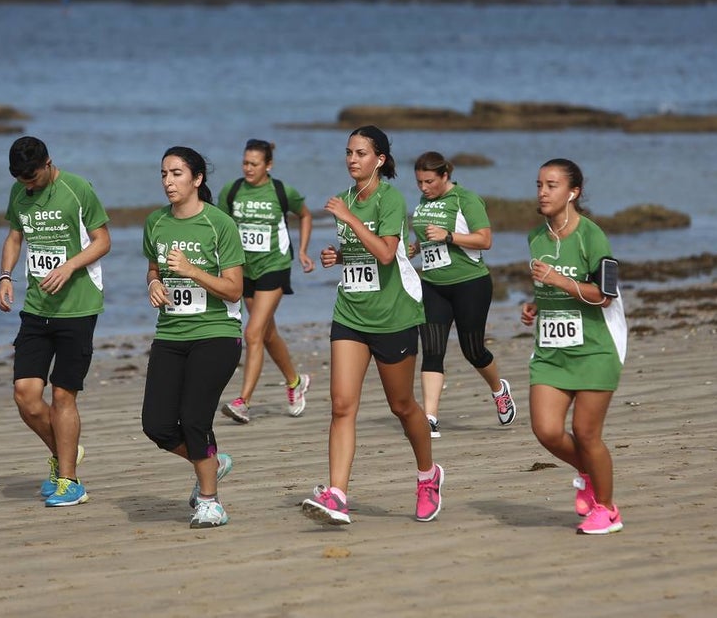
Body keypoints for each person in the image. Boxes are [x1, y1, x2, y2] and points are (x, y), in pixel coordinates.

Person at [301, 125, 443, 526]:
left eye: (361, 153)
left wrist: (348, 219)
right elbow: (360, 252)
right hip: (350, 313)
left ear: (379, 160)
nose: (352, 160)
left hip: (392, 317)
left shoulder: (390, 199)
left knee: (402, 406)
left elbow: (384, 253)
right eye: (348, 152)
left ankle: (427, 476)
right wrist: (338, 256)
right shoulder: (346, 197)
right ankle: (338, 494)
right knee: (342, 405)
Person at [0, 136, 111, 508]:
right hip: (35, 307)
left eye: (31, 177)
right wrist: (4, 276)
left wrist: (70, 266)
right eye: (21, 179)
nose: (27, 185)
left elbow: (103, 240)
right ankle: (66, 454)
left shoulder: (77, 189)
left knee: (63, 395)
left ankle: (70, 481)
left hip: (78, 308)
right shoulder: (19, 191)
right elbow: (15, 236)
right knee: (26, 397)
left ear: (48, 163)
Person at [520, 158, 627, 535]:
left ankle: (608, 510)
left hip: (594, 349)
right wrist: (535, 304)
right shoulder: (535, 237)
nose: (542, 192)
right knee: (546, 431)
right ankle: (587, 471)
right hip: (551, 350)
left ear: (573, 192)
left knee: (585, 432)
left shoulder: (591, 236)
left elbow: (607, 296)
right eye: (539, 185)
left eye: (551, 185)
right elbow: (546, 286)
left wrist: (558, 282)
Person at [142, 146, 245, 529]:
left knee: (195, 418)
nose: (168, 181)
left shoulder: (219, 224)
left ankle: (210, 502)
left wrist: (191, 271)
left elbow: (234, 290)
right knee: (157, 425)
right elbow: (153, 267)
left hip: (216, 334)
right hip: (170, 333)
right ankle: (212, 463)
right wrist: (154, 283)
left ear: (197, 179)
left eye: (177, 174)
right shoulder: (155, 223)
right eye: (164, 174)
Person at [408, 151, 514, 437]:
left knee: (473, 350)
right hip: (431, 285)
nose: (423, 188)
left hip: (470, 284)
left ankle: (498, 389)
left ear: (445, 176)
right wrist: (416, 248)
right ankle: (429, 417)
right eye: (419, 182)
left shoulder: (465, 199)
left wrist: (449, 237)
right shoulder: (423, 200)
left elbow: (485, 240)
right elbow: (427, 233)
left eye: (429, 181)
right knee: (432, 350)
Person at [217, 139, 315, 424]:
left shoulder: (282, 191)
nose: (248, 168)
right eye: (245, 163)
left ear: (268, 165)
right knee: (267, 334)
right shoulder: (232, 191)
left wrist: (304, 249)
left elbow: (305, 215)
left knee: (252, 333)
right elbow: (220, 226)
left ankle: (243, 401)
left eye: (254, 164)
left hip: (275, 265)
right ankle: (295, 381)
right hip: (244, 270)